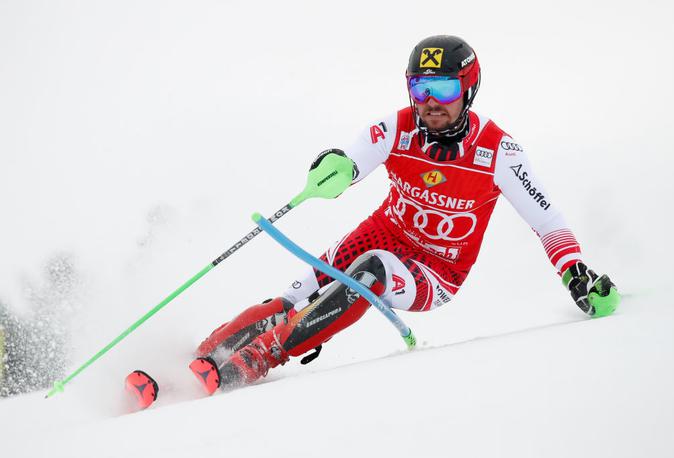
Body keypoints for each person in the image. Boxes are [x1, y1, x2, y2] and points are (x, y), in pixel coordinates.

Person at [189, 35, 620, 394]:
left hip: (437, 271)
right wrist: (337, 168)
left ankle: (258, 359)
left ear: (469, 89)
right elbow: (354, 159)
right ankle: (200, 360)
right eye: (420, 89)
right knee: (295, 297)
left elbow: (546, 220)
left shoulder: (498, 152)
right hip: (380, 234)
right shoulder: (397, 128)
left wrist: (574, 272)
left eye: (446, 89)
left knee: (370, 272)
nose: (432, 102)